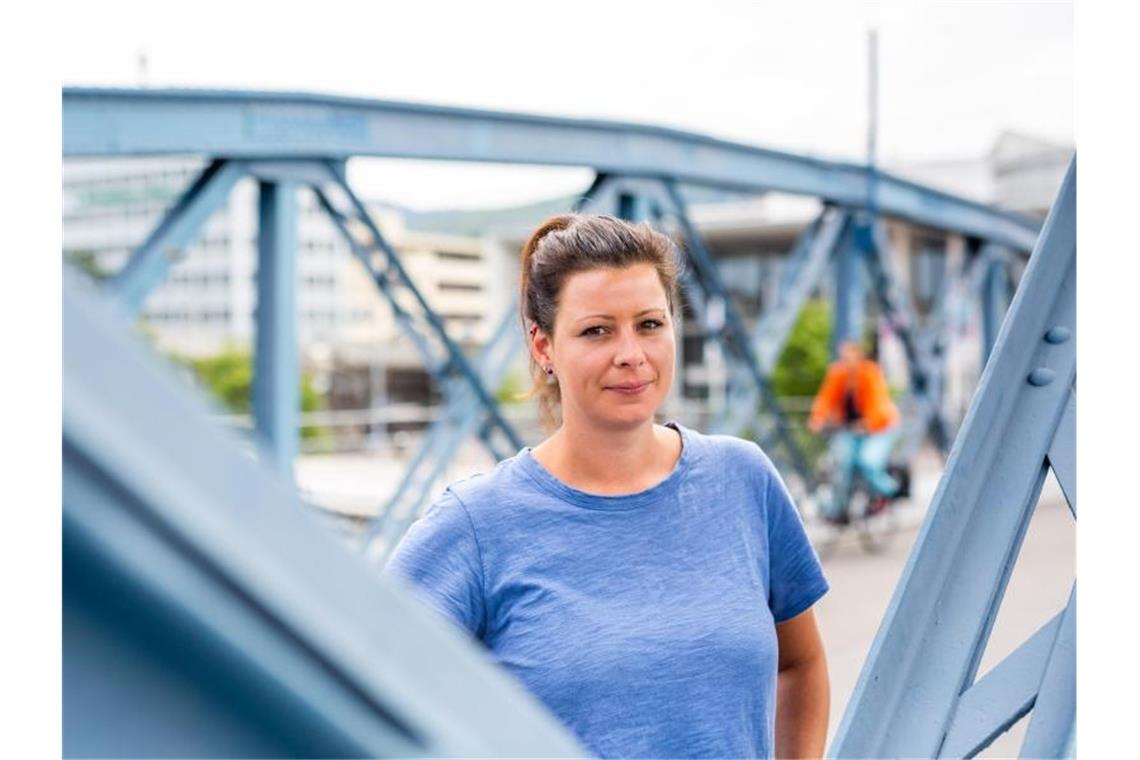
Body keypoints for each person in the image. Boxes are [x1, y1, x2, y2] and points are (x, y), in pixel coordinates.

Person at [386, 214, 830, 759]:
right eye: (597, 330)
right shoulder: (476, 525)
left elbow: (799, 664)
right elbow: (361, 691)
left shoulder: (743, 479)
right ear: (544, 347)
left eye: (649, 324)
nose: (631, 354)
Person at [807, 338, 902, 524]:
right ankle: (839, 510)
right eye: (844, 358)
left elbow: (879, 405)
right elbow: (825, 399)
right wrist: (817, 418)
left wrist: (867, 423)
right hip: (851, 429)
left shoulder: (870, 373)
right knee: (841, 464)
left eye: (851, 357)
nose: (847, 362)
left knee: (868, 461)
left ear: (860, 357)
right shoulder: (838, 374)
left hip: (879, 428)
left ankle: (889, 491)